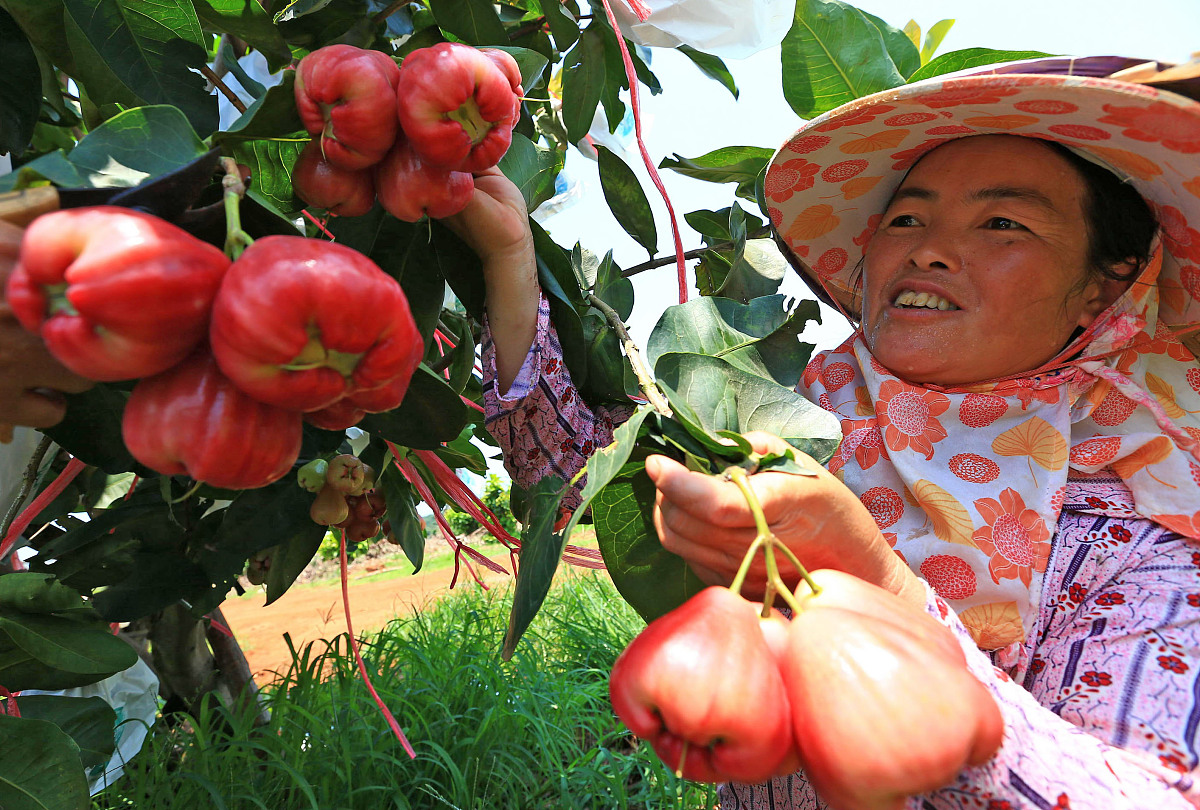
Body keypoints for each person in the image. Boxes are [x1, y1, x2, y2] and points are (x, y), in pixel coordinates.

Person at [456, 68, 1200, 807]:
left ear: (1106, 286)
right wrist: (511, 258)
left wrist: (878, 580)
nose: (929, 250)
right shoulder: (781, 422)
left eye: (1003, 222)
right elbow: (575, 467)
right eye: (906, 219)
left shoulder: (1151, 526)